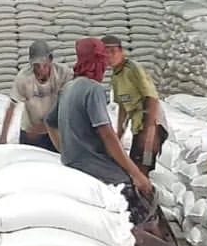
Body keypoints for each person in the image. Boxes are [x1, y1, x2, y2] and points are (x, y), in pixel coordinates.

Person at [45, 37, 152, 221]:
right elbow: (107, 134)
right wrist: (136, 175)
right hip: (92, 163)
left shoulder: (68, 87)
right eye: (102, 60)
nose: (105, 66)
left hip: (72, 160)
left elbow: (49, 121)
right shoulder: (93, 89)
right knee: (136, 192)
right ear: (96, 62)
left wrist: (65, 149)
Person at [103, 33, 166, 171]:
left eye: (113, 52)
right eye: (105, 53)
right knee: (134, 167)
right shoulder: (116, 76)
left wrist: (149, 133)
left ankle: (148, 190)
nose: (109, 56)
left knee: (142, 167)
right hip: (138, 127)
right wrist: (119, 135)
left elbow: (152, 98)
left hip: (152, 125)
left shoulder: (133, 69)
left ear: (121, 51)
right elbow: (123, 108)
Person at [0, 40, 72, 150]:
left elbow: (68, 104)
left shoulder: (63, 73)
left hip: (56, 131)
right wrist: (3, 138)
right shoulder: (24, 78)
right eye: (37, 66)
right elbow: (12, 107)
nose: (41, 70)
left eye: (45, 65)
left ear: (51, 60)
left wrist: (45, 126)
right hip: (31, 133)